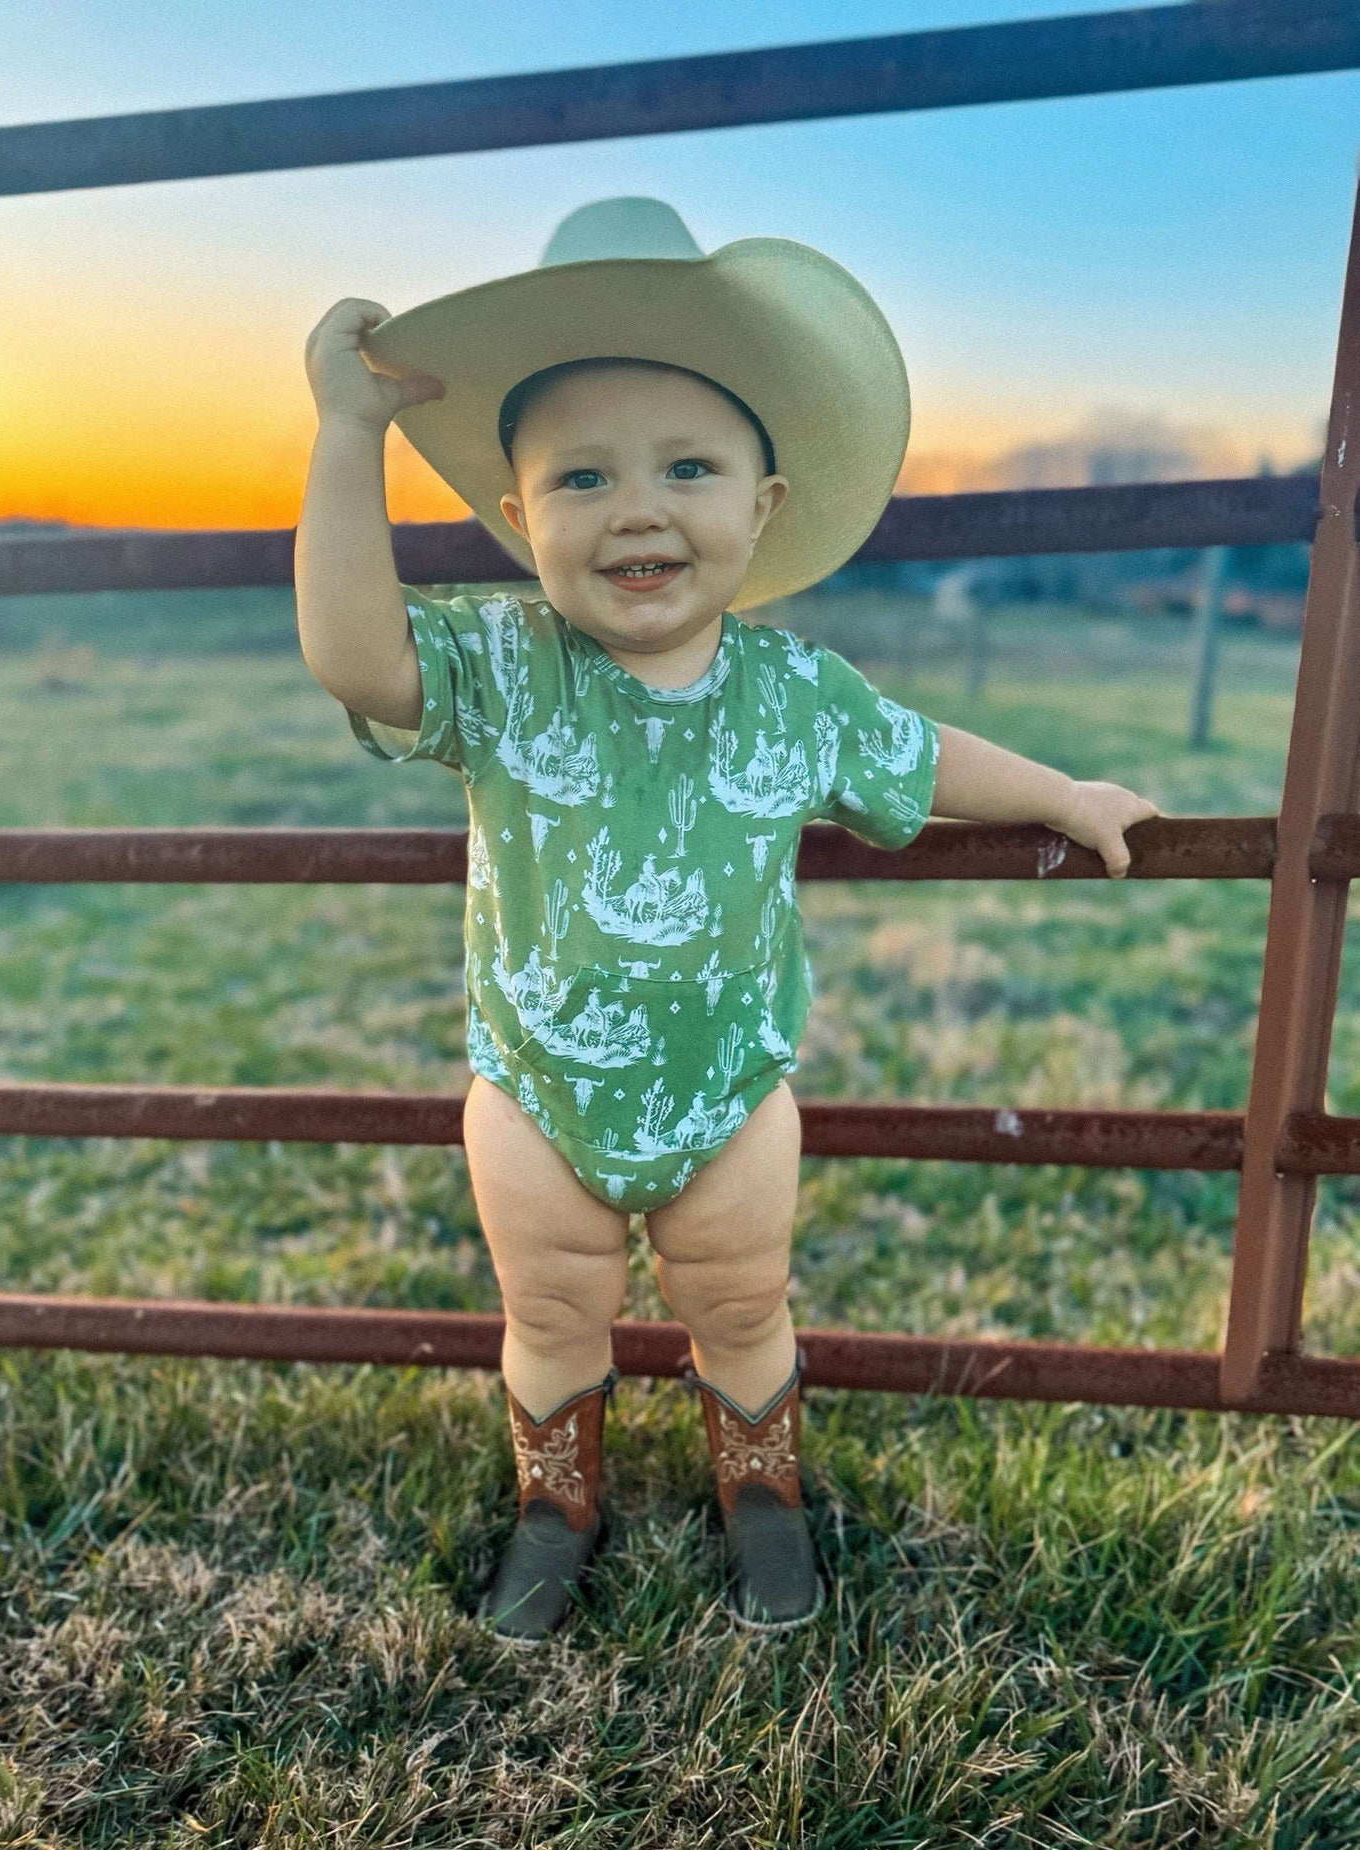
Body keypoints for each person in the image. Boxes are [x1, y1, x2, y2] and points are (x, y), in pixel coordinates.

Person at [294, 198, 1157, 1641]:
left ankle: (761, 1495)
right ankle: (552, 1508)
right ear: (520, 522)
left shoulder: (791, 691)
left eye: (687, 467)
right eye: (581, 478)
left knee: (740, 1302)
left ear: (759, 507)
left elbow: (925, 755)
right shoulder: (498, 667)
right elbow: (355, 654)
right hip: (534, 1084)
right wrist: (344, 436)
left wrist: (1064, 794)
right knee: (555, 1311)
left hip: (730, 1084)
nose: (635, 507)